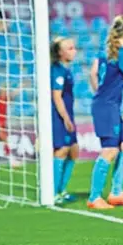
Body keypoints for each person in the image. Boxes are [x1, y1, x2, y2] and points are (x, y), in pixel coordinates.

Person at [87, 15, 123, 209]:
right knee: (110, 150)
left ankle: (116, 193)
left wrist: (100, 93)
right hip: (107, 107)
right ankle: (94, 197)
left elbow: (93, 73)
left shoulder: (107, 52)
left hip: (106, 105)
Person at [50, 37, 78, 204]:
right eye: (69, 48)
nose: (74, 51)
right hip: (59, 115)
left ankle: (62, 189)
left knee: (74, 150)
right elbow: (56, 97)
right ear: (60, 52)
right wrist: (66, 118)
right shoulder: (57, 70)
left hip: (68, 113)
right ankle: (53, 192)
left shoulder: (65, 70)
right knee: (61, 151)